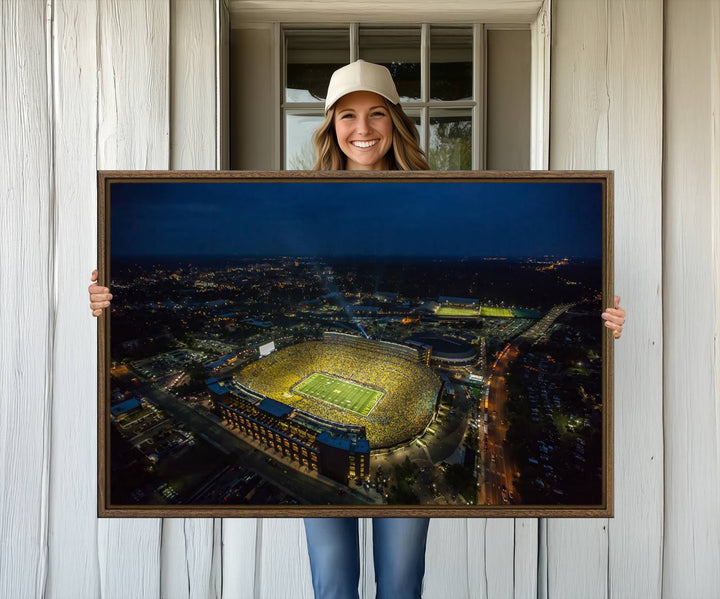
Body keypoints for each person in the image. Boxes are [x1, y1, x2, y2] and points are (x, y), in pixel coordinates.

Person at [88, 60, 627, 599]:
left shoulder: (435, 194)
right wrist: (110, 299)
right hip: (330, 437)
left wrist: (603, 322)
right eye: (348, 115)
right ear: (330, 125)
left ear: (395, 121)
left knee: (400, 581)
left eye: (376, 115)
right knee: (333, 581)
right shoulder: (305, 194)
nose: (363, 129)